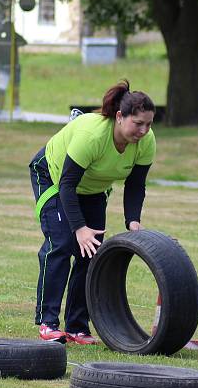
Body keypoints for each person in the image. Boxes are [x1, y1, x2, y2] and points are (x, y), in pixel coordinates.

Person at [28, 80, 156, 344]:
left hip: (93, 189)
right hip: (53, 178)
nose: (143, 130)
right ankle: (47, 322)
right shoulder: (93, 136)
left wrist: (133, 221)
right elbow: (66, 184)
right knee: (62, 245)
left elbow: (135, 184)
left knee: (92, 252)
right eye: (138, 123)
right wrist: (79, 228)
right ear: (120, 117)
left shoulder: (146, 142)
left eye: (149, 124)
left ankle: (77, 327)